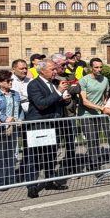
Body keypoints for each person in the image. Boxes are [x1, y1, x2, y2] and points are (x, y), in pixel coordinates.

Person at [24, 61, 72, 198]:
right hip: (39, 125)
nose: (55, 72)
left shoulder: (54, 83)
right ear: (42, 71)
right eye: (52, 69)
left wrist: (65, 99)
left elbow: (55, 100)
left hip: (53, 124)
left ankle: (50, 181)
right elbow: (41, 104)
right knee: (34, 157)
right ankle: (32, 186)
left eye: (55, 69)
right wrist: (59, 92)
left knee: (51, 155)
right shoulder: (34, 84)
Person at [0, 69, 23, 187]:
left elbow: (19, 108)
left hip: (13, 128)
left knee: (11, 154)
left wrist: (20, 119)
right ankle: (0, 181)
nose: (10, 82)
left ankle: (10, 179)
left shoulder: (15, 94)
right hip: (0, 128)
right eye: (7, 80)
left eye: (11, 80)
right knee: (0, 155)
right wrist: (5, 119)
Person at [79, 58, 110, 170]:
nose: (99, 69)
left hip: (98, 114)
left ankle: (94, 159)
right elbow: (84, 101)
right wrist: (100, 107)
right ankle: (94, 163)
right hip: (86, 114)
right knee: (91, 138)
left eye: (101, 67)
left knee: (96, 138)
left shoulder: (105, 80)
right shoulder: (84, 80)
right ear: (91, 68)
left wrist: (105, 103)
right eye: (96, 67)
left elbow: (105, 95)